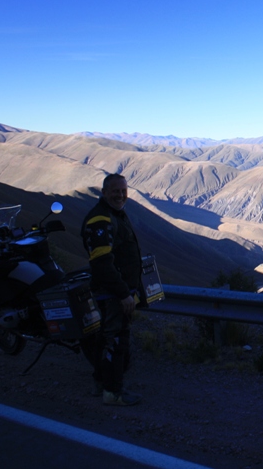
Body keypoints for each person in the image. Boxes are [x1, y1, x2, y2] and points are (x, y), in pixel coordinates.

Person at [80, 173, 147, 406]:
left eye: (123, 191)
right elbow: (101, 263)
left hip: (117, 291)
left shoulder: (113, 214)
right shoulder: (100, 220)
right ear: (104, 192)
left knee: (106, 340)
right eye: (115, 191)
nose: (120, 195)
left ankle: (101, 383)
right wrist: (122, 293)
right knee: (116, 341)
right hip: (112, 294)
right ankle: (113, 392)